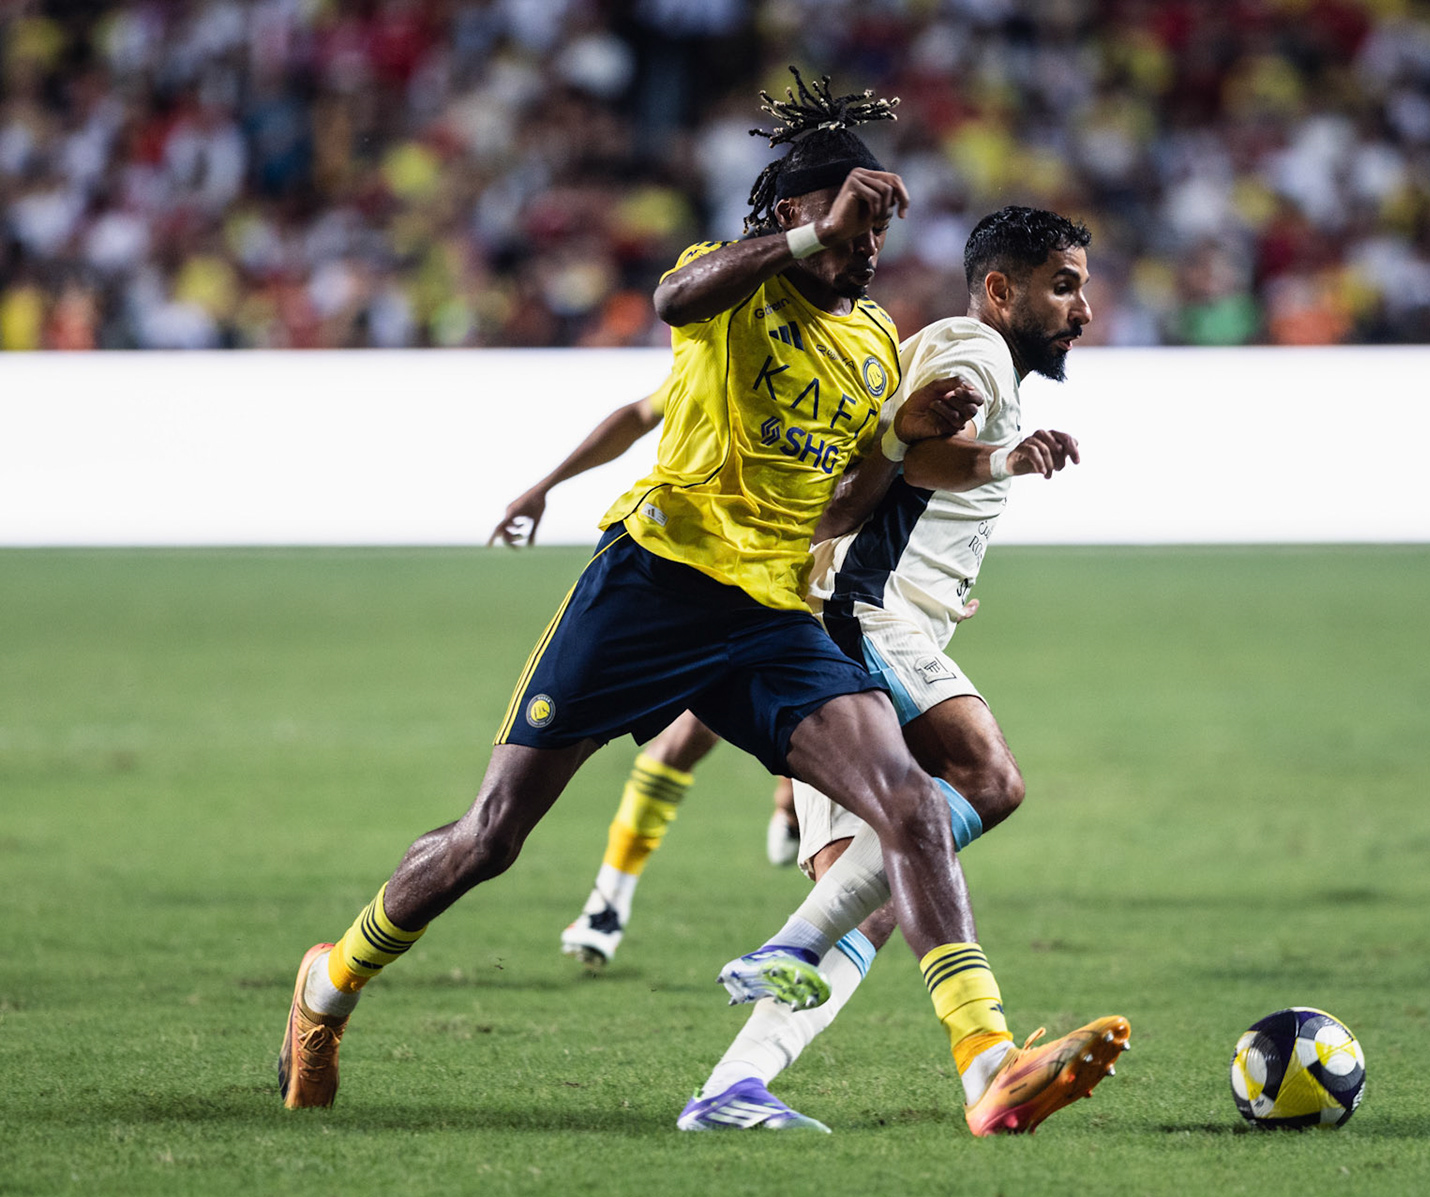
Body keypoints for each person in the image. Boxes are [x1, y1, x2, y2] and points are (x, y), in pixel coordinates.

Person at [277, 71, 1128, 1138]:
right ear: (793, 218)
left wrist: (906, 439)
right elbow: (672, 303)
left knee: (913, 803)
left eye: (879, 228)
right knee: (492, 835)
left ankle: (987, 1060)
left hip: (769, 614)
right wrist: (811, 244)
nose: (870, 248)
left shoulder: (870, 343)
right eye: (855, 223)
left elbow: (841, 506)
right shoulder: (735, 290)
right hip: (653, 585)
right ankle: (331, 979)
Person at [664, 205, 1097, 1132]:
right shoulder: (973, 353)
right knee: (987, 776)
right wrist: (1001, 460)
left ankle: (730, 1088)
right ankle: (973, 1056)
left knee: (874, 890)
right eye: (1063, 286)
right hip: (867, 612)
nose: (1083, 310)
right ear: (998, 290)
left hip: (866, 614)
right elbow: (897, 452)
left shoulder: (982, 361)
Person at [485, 378, 804, 970]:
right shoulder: (724, 356)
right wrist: (546, 486)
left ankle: (794, 818)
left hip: (786, 591)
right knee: (678, 746)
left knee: (838, 756)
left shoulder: (835, 377)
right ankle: (608, 905)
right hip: (693, 587)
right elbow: (637, 413)